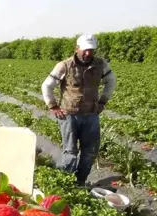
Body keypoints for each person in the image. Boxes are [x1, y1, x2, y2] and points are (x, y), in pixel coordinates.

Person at [41, 34, 117, 186]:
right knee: (70, 152)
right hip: (69, 116)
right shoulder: (65, 65)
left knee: (90, 151)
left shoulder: (100, 64)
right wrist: (53, 106)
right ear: (77, 48)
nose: (88, 53)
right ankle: (66, 182)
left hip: (91, 115)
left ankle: (80, 181)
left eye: (91, 50)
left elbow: (111, 81)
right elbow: (47, 85)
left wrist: (103, 101)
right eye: (85, 50)